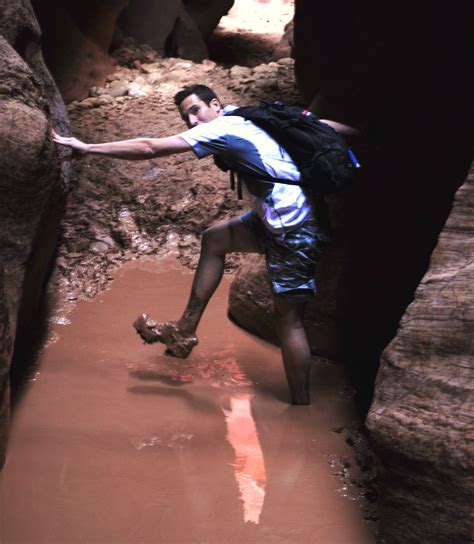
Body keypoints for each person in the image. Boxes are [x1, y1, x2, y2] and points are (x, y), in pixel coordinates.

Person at [52, 84, 355, 405]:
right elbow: (316, 124)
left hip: (294, 230)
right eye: (186, 117)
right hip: (280, 217)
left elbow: (148, 148)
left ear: (215, 104)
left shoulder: (221, 128)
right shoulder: (243, 114)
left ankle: (300, 405)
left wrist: (87, 148)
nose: (193, 121)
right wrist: (363, 133)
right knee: (215, 239)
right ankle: (185, 330)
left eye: (196, 110)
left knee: (289, 320)